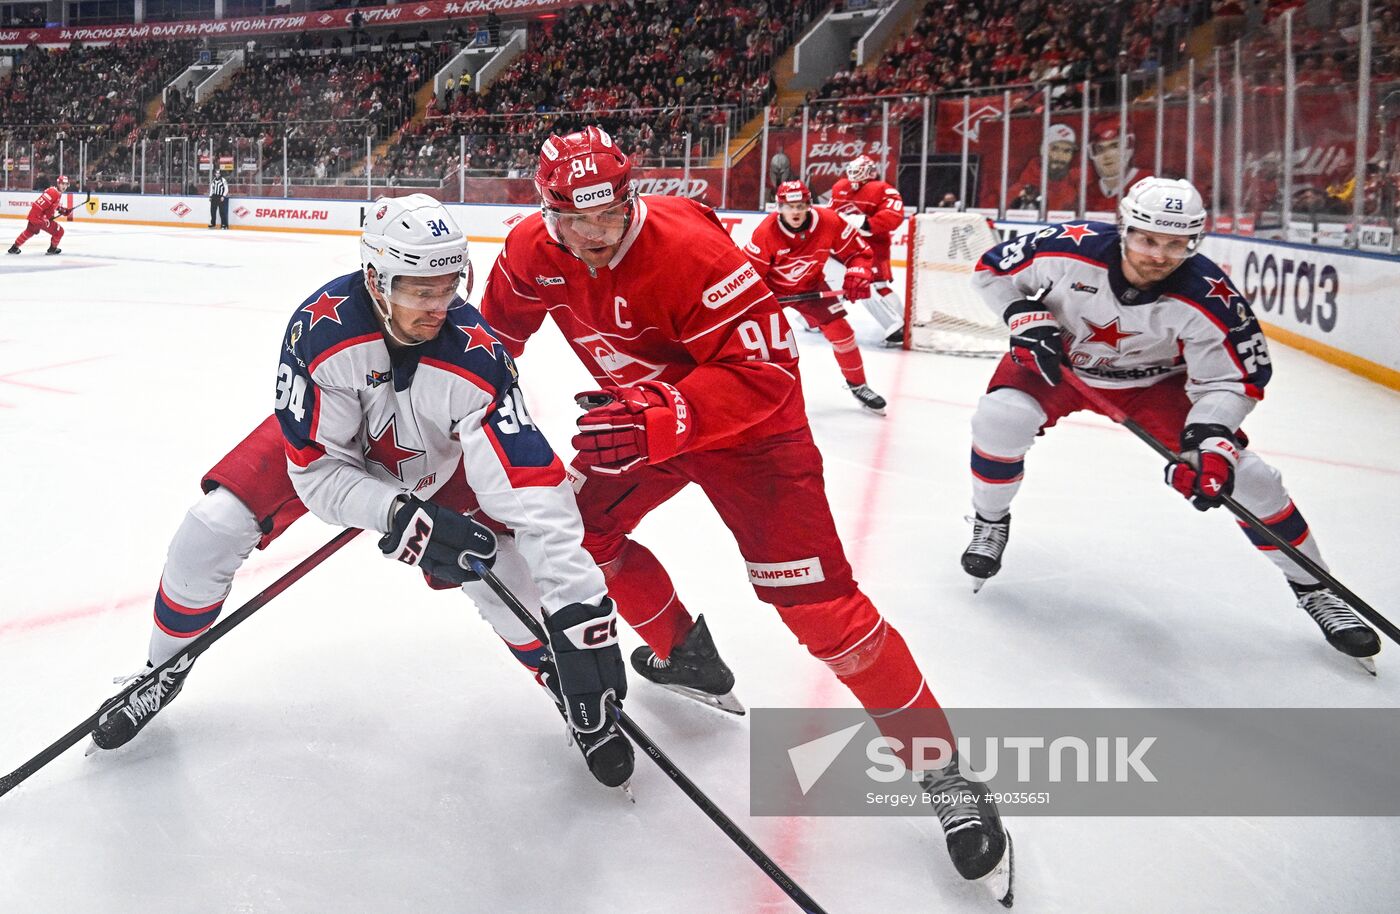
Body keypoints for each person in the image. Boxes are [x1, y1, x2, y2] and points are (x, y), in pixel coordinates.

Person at [479, 127, 1013, 901]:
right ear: (546, 211)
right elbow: (490, 342)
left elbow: (768, 373)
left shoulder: (694, 254)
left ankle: (945, 773)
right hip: (639, 422)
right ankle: (684, 655)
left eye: (611, 215)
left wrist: (665, 416)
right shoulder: (532, 251)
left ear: (633, 197)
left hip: (752, 434)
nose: (595, 236)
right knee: (578, 534)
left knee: (822, 612)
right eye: (574, 220)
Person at [88, 194, 634, 788]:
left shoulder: (477, 357)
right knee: (212, 525)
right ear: (375, 278)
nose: (437, 306)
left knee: (502, 566)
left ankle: (566, 678)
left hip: (438, 460)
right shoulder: (320, 330)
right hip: (334, 451)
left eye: (449, 285)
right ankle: (160, 670)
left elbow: (531, 488)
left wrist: (579, 610)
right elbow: (318, 472)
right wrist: (395, 513)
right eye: (419, 290)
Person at [961, 176, 1380, 670]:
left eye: (1177, 243)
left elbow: (1232, 379)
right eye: (1148, 239)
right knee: (1001, 418)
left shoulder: (1210, 297)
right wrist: (1021, 315)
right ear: (1125, 229)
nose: (1159, 255)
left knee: (1250, 479)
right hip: (1061, 365)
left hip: (1154, 386)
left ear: (1194, 241)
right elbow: (990, 270)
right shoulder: (1065, 247)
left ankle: (1315, 588)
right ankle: (990, 521)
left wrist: (1210, 441)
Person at [743, 179, 887, 414]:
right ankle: (753, 392)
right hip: (772, 292)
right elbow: (750, 275)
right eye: (790, 207)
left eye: (800, 206)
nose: (796, 212)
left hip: (811, 288)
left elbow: (858, 252)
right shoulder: (765, 233)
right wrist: (756, 302)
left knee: (842, 333)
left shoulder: (829, 221)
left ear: (809, 205)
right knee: (758, 344)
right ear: (779, 208)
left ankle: (859, 385)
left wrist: (858, 271)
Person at [829, 154, 907, 346]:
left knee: (876, 285)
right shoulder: (840, 187)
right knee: (835, 284)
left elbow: (894, 215)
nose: (854, 174)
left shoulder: (883, 189)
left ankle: (900, 321)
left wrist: (866, 223)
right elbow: (831, 213)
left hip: (873, 248)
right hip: (843, 247)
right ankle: (815, 320)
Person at [1083, 122, 1143, 213]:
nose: (1107, 156)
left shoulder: (1146, 182)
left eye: (1115, 146)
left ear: (1129, 147)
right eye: (1100, 149)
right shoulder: (1090, 191)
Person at [8, 174, 70, 255]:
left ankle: (14, 248)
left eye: (66, 184)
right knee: (59, 231)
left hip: (35, 216)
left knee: (29, 232)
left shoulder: (55, 192)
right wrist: (43, 218)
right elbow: (39, 205)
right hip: (39, 218)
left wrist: (61, 209)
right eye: (62, 184)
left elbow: (51, 205)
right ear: (58, 183)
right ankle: (52, 249)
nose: (64, 186)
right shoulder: (53, 192)